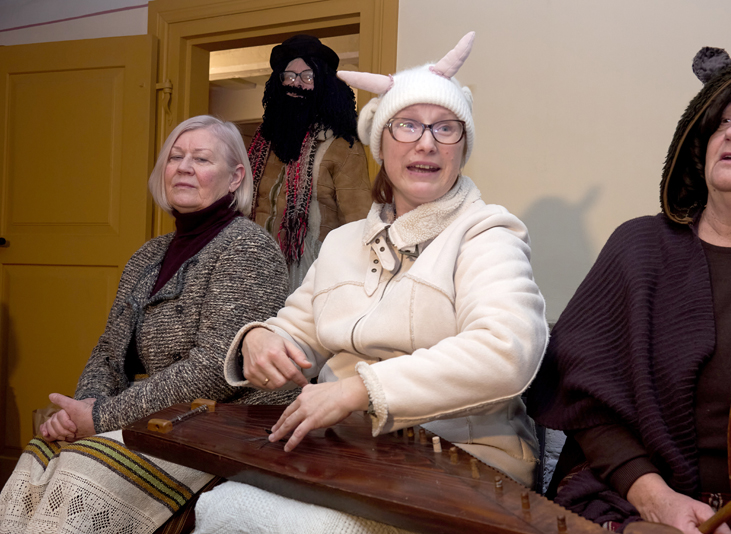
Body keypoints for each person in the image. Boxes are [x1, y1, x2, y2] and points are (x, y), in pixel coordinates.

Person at [192, 32, 549, 533]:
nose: (427, 142)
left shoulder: (488, 233)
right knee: (220, 507)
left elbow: (506, 353)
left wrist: (360, 390)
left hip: (463, 460)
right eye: (407, 125)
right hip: (348, 453)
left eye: (446, 128)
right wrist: (259, 339)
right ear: (381, 143)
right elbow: (297, 331)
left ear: (463, 148)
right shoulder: (343, 242)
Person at [527, 48, 731, 534]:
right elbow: (581, 396)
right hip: (633, 504)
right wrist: (657, 500)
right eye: (723, 121)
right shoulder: (638, 247)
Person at [0, 115, 296, 534]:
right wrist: (80, 410)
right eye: (175, 157)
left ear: (235, 178)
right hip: (157, 417)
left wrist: (100, 416)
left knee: (84, 469)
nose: (184, 167)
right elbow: (109, 352)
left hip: (229, 426)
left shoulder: (248, 247)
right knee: (39, 454)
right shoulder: (148, 255)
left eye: (201, 159)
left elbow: (214, 369)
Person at [249, 34, 372, 289]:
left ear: (323, 84)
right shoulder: (261, 144)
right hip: (254, 268)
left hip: (313, 276)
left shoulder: (342, 146)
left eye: (307, 76)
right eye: (289, 76)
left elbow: (359, 224)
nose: (296, 84)